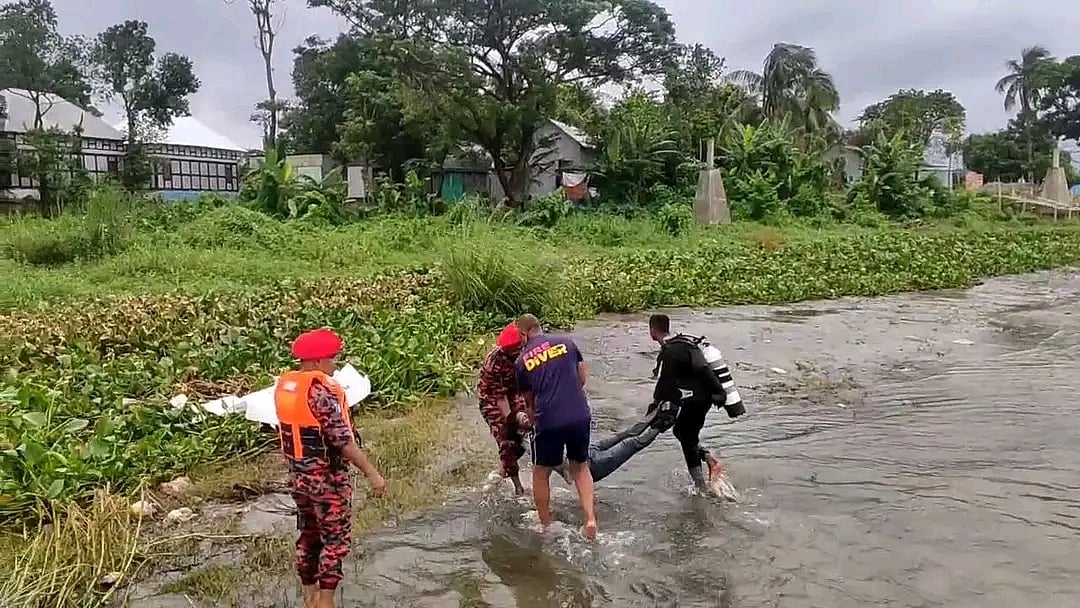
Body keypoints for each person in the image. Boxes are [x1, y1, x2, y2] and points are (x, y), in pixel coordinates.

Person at [274, 328, 388, 608]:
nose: (334, 364)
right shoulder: (321, 391)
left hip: (299, 479)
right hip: (326, 480)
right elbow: (342, 442)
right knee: (335, 541)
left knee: (309, 536)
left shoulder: (288, 386)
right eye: (331, 359)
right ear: (315, 363)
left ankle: (309, 595)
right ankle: (325, 601)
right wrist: (372, 474)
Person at [514, 314, 598, 539]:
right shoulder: (567, 343)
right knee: (580, 467)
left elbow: (529, 401)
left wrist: (530, 421)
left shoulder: (522, 361)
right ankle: (590, 519)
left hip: (548, 419)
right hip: (579, 414)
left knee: (541, 472)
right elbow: (581, 377)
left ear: (524, 333)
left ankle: (545, 524)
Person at [648, 313, 745, 491]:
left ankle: (703, 482)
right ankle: (705, 471)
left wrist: (654, 405)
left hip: (700, 398)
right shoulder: (680, 344)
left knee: (686, 435)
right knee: (683, 433)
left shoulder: (671, 350)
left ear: (653, 331)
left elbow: (665, 382)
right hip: (703, 397)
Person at [476, 322, 531, 494]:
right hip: (492, 399)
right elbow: (500, 397)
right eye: (513, 350)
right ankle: (518, 488)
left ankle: (502, 471)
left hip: (515, 393)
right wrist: (511, 421)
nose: (517, 352)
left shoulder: (529, 350)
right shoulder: (495, 362)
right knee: (507, 440)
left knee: (527, 433)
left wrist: (526, 414)